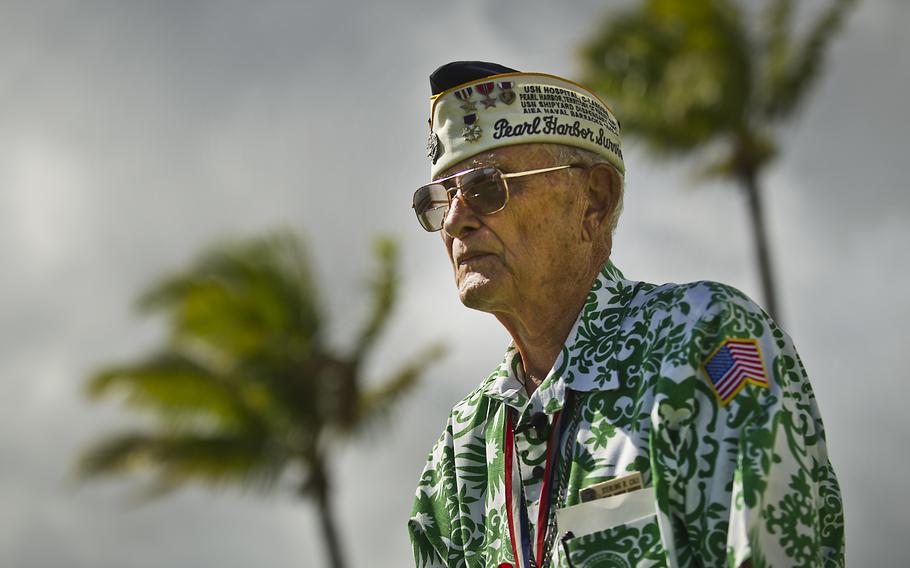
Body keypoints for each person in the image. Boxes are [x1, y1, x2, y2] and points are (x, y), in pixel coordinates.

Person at [407, 61, 843, 568]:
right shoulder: (462, 447)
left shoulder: (704, 340)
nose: (457, 221)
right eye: (439, 199)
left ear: (594, 199)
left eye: (487, 187)